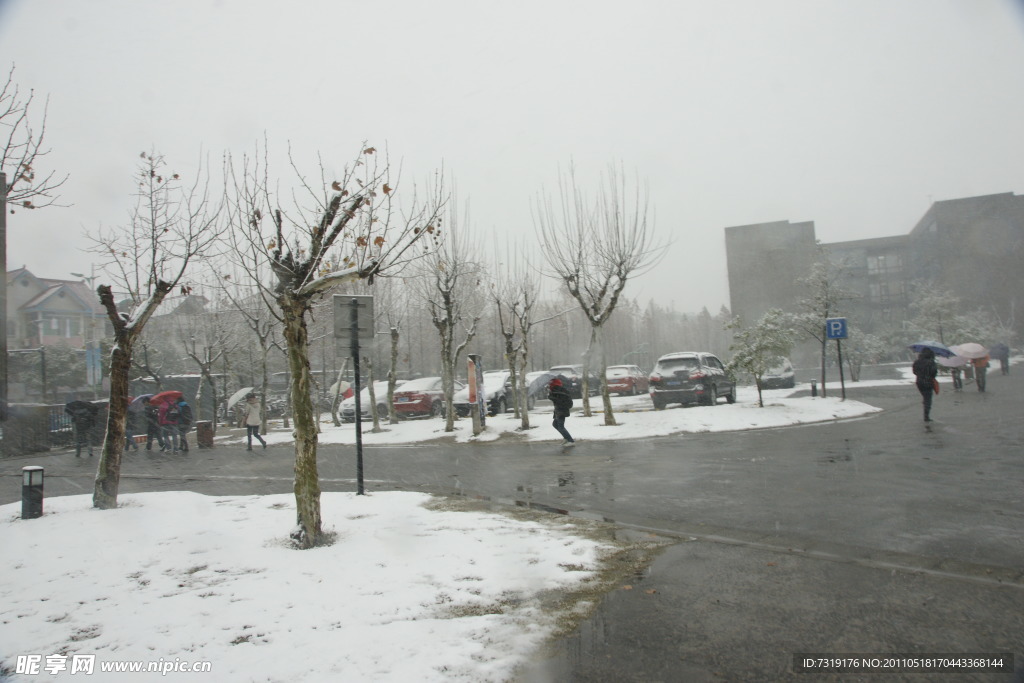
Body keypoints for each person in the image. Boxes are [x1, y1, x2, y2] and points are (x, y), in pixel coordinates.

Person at [912, 348, 938, 422]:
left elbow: (914, 372)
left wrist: (920, 375)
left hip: (919, 382)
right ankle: (926, 416)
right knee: (928, 399)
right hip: (928, 382)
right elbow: (934, 373)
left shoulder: (917, 362)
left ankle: (925, 405)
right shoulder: (931, 362)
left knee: (925, 396)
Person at [547, 378, 575, 446]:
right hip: (558, 410)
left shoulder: (558, 390)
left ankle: (570, 441)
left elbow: (560, 400)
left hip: (561, 410)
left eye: (551, 383)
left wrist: (551, 396)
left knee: (560, 426)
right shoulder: (556, 389)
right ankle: (566, 438)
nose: (549, 384)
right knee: (555, 424)